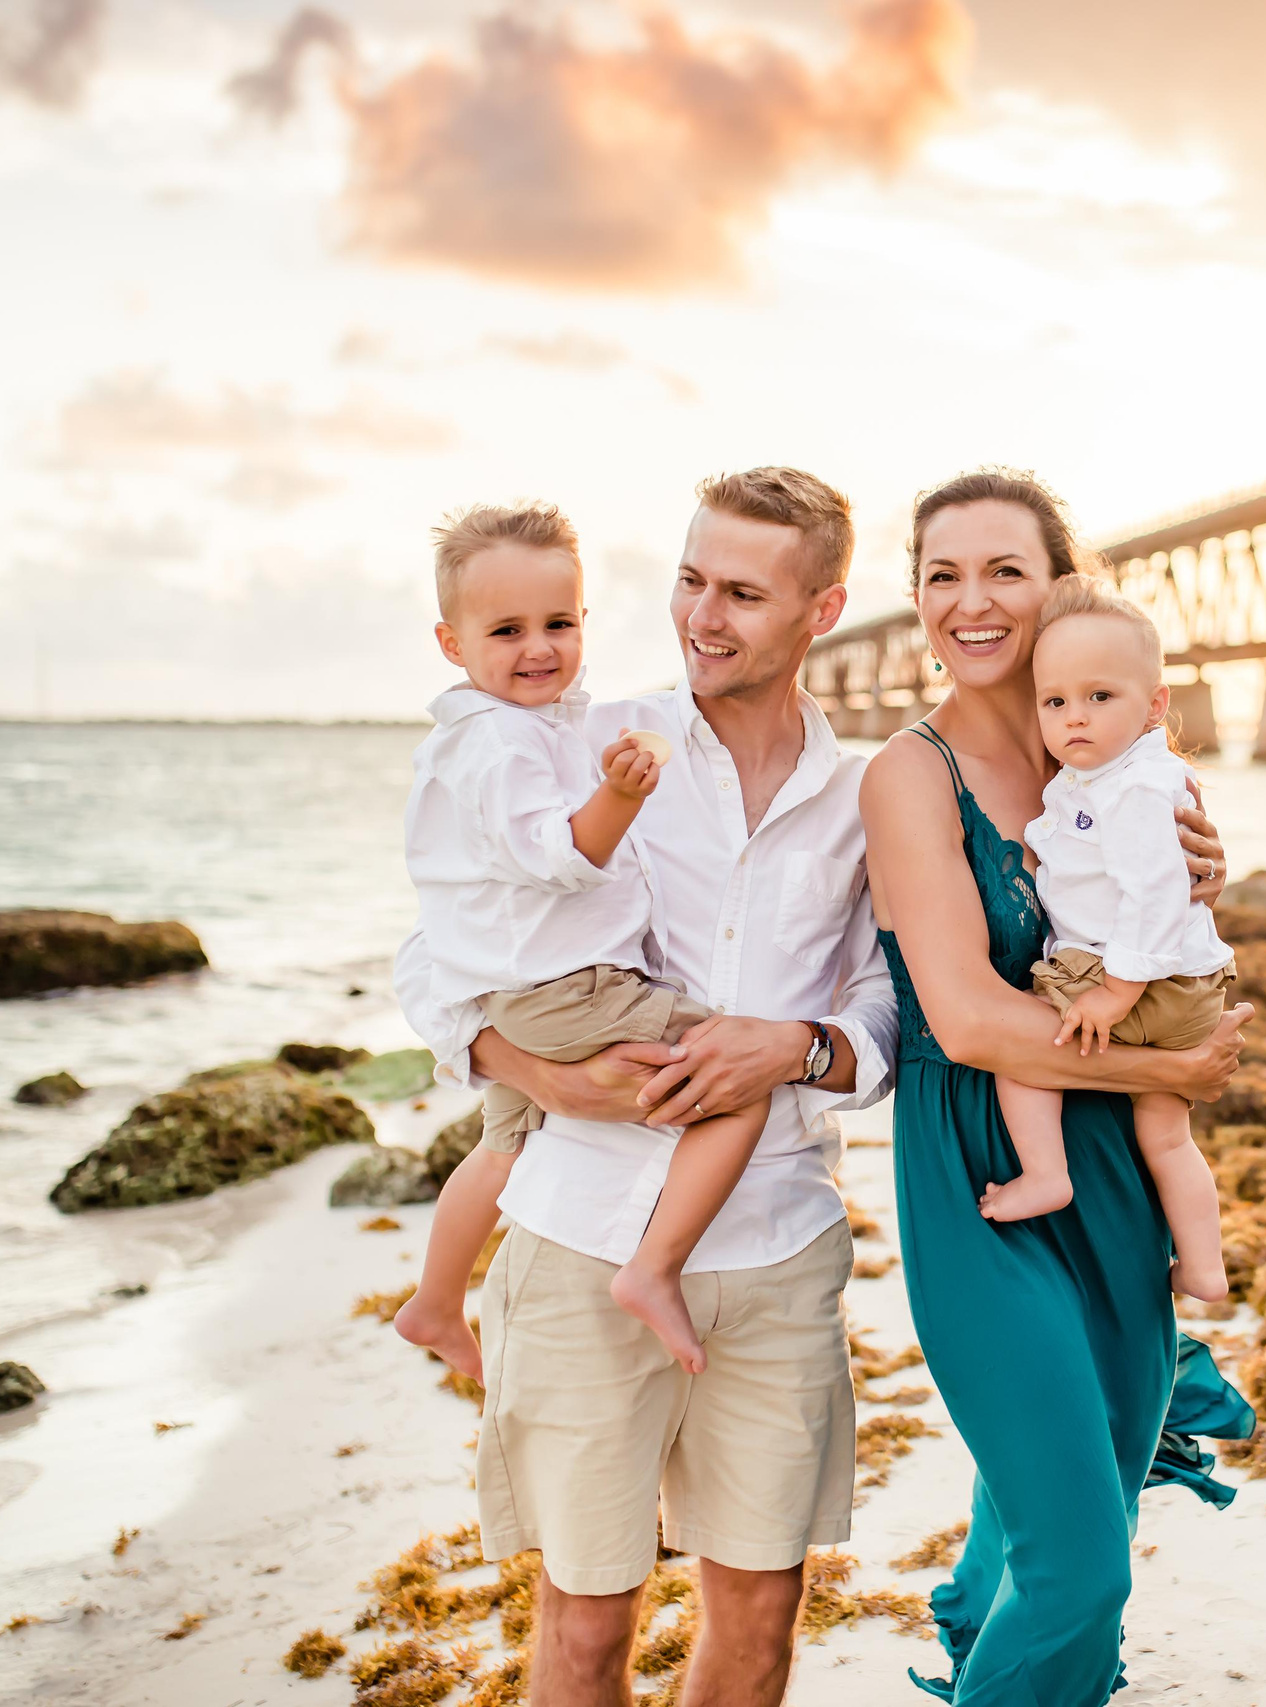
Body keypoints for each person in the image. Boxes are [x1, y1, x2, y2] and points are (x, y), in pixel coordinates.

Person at [396, 468, 892, 1707]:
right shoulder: (585, 743)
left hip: (776, 1247)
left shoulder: (869, 796)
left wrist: (800, 1047)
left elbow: (890, 1000)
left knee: (762, 1618)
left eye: (741, 593)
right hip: (576, 1233)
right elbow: (431, 949)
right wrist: (531, 1068)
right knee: (580, 1629)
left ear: (822, 609)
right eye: (688, 581)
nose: (701, 618)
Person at [859, 468, 1258, 1706]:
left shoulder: (1116, 759)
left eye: (1004, 572)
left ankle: (979, 1637)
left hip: (1110, 1168)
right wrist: (1175, 1069)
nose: (969, 602)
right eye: (941, 575)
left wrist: (1205, 872)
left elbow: (1169, 933)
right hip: (980, 1164)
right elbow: (973, 1019)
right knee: (1085, 1569)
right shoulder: (906, 778)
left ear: (1059, 589)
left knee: (1082, 1487)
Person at [392, 501, 771, 1379]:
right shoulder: (499, 743)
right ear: (452, 643)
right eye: (507, 630)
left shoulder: (521, 729)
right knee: (735, 1073)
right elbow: (556, 853)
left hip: (518, 989)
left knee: (502, 1143)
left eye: (557, 623)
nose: (538, 649)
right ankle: (654, 1268)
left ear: (584, 621)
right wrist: (620, 798)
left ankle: (435, 1301)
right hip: (569, 992)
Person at [980, 575, 1235, 1305]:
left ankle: (1045, 1173)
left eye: (1100, 697)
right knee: (1166, 1139)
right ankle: (1204, 1266)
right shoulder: (1128, 777)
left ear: (1155, 705)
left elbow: (1155, 891)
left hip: (1139, 983)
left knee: (1024, 1055)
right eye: (1055, 701)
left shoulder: (1132, 790)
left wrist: (1116, 989)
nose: (1074, 718)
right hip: (1186, 986)